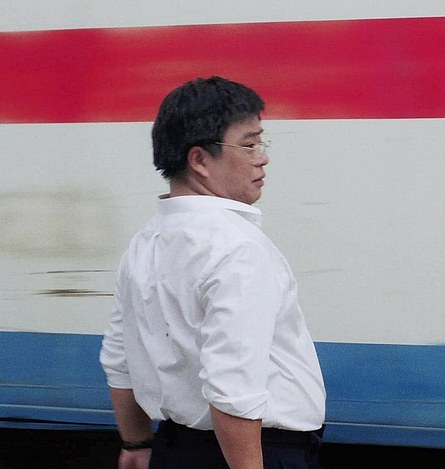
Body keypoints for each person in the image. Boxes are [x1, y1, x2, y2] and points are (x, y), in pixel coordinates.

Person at [100, 76, 327, 469]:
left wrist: (136, 442)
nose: (262, 158)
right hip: (254, 452)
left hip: (175, 448)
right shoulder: (238, 249)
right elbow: (233, 391)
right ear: (200, 160)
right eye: (249, 144)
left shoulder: (144, 243)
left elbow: (120, 361)